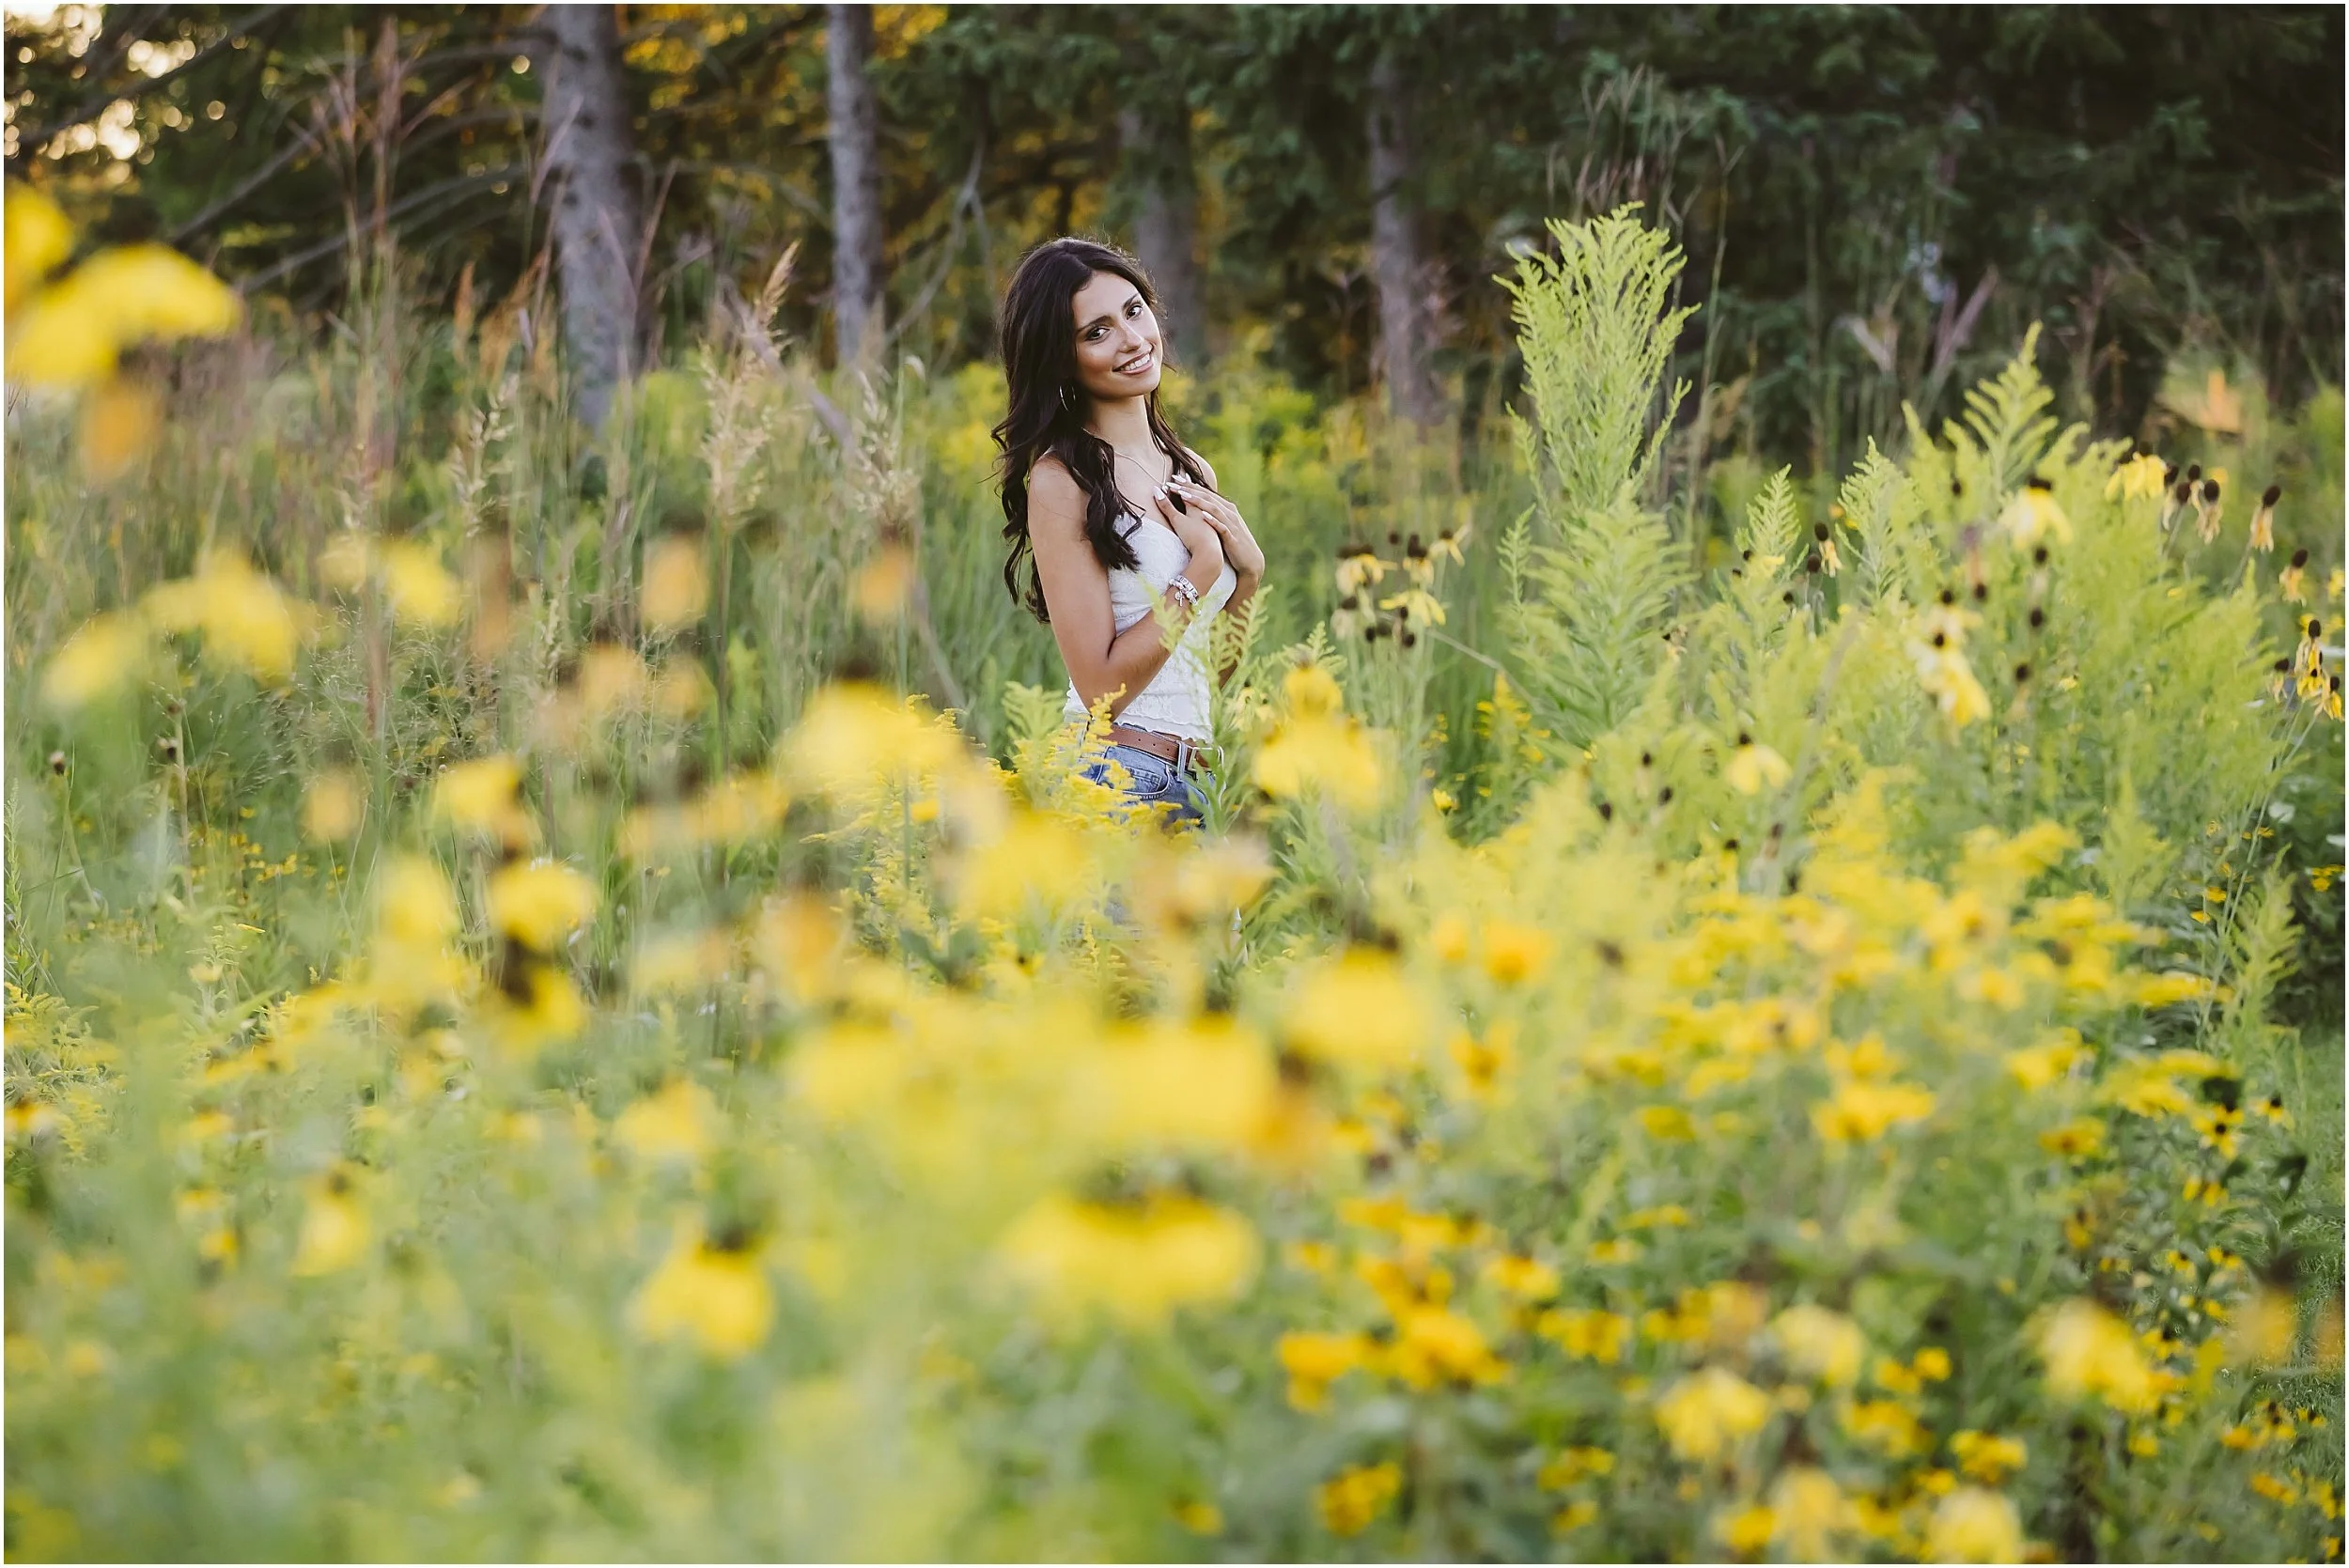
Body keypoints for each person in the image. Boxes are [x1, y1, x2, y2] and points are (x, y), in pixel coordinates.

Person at [993, 237, 1267, 829]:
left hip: (1201, 779)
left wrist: (1248, 576)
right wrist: (1200, 570)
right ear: (1061, 359)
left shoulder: (1191, 470)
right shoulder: (1062, 480)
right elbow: (1099, 690)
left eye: (1133, 311)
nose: (1131, 340)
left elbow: (1209, 673)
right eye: (1096, 332)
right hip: (1115, 780)